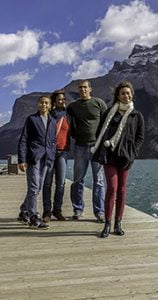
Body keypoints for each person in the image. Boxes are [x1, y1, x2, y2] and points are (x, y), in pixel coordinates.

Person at [91, 80, 144, 238]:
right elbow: (100, 132)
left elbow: (140, 138)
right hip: (110, 156)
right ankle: (107, 223)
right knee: (112, 189)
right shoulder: (109, 113)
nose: (126, 96)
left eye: (128, 93)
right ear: (118, 96)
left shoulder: (136, 116)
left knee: (122, 190)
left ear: (131, 95)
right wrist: (102, 150)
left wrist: (133, 153)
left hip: (126, 157)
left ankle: (118, 223)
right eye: (123, 93)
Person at [67, 80, 107, 222]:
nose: (82, 89)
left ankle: (100, 212)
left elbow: (107, 123)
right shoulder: (73, 106)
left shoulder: (99, 103)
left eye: (85, 87)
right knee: (78, 179)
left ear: (90, 89)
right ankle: (78, 209)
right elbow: (66, 122)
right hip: (79, 147)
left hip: (97, 147)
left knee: (99, 181)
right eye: (80, 88)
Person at [17, 95, 56, 229]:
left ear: (50, 106)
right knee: (34, 187)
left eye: (46, 103)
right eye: (41, 103)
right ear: (38, 105)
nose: (44, 105)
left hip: (47, 158)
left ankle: (24, 211)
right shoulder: (32, 119)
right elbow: (23, 140)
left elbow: (52, 141)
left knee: (38, 188)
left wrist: (52, 155)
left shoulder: (53, 121)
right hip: (34, 157)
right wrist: (22, 160)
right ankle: (33, 218)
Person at [42, 89, 70, 223]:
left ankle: (57, 209)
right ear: (54, 101)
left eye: (63, 99)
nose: (62, 101)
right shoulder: (49, 115)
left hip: (63, 152)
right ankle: (47, 211)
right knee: (47, 183)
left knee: (61, 183)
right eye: (59, 99)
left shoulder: (69, 115)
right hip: (49, 153)